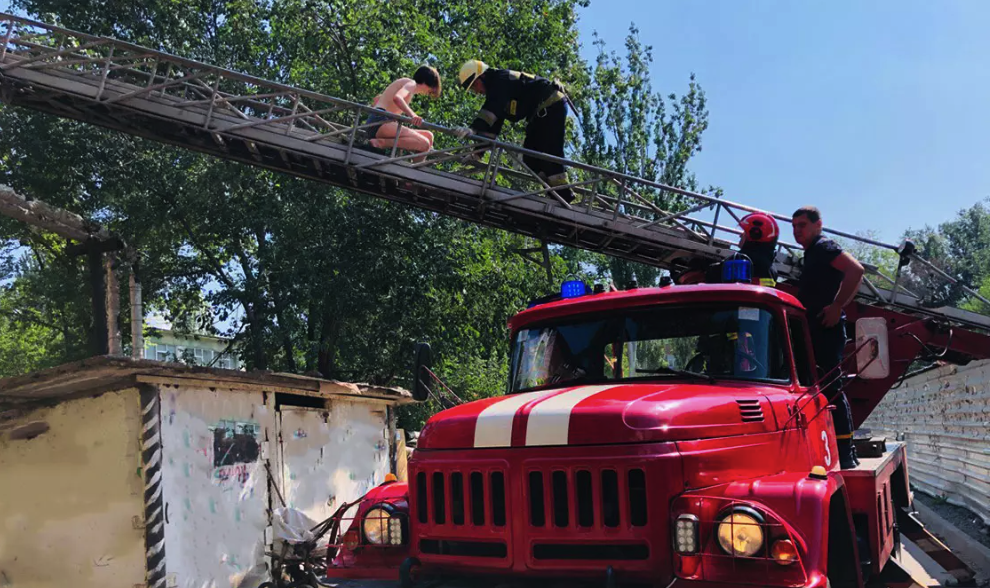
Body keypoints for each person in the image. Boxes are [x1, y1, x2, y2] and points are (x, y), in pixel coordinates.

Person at [792, 205, 865, 469]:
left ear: (818, 225)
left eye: (802, 225)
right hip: (816, 329)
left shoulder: (823, 246)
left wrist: (837, 306)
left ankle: (846, 454)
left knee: (831, 387)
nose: (796, 230)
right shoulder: (812, 253)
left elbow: (855, 270)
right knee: (819, 388)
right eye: (794, 226)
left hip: (826, 329)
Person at [454, 59, 574, 203]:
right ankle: (553, 192)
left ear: (481, 77)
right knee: (530, 157)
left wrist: (473, 129)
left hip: (552, 106)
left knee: (549, 153)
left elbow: (490, 111)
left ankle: (564, 195)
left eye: (475, 86)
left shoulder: (500, 80)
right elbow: (493, 128)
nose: (477, 92)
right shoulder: (498, 92)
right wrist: (478, 153)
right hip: (541, 113)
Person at [365, 65, 441, 161]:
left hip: (378, 122)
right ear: (426, 83)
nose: (428, 93)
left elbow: (377, 100)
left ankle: (416, 168)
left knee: (429, 136)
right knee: (424, 143)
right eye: (430, 90)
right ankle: (382, 143)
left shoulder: (406, 85)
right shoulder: (412, 83)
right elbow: (397, 98)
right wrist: (413, 115)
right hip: (380, 122)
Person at [738, 212, 780, 286]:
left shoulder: (741, 260)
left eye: (744, 232)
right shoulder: (771, 269)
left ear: (754, 235)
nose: (740, 235)